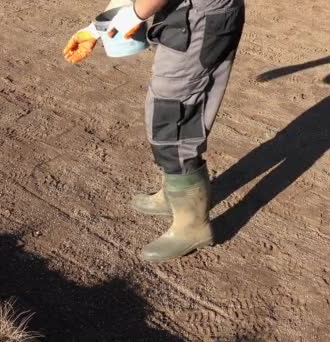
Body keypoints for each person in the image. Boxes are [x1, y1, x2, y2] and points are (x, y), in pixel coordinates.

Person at [63, 0, 245, 262]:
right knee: (162, 104)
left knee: (174, 116)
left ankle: (192, 227)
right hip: (183, 13)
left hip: (200, 19)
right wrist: (97, 27)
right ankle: (174, 193)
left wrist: (136, 14)